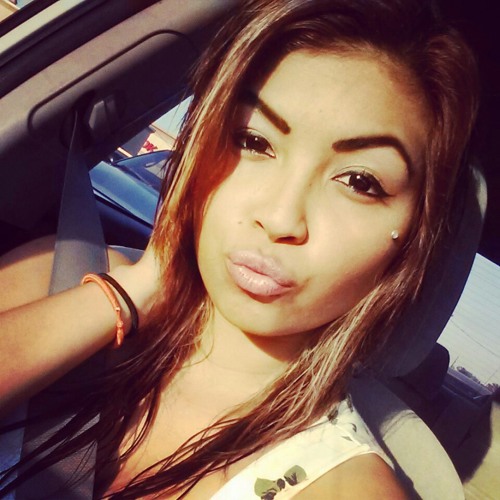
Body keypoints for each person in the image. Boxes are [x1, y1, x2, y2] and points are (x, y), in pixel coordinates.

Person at [0, 0, 479, 497]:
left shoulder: (349, 489)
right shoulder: (59, 274)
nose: (280, 218)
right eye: (253, 141)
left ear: (412, 235)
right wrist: (133, 290)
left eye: (360, 181)